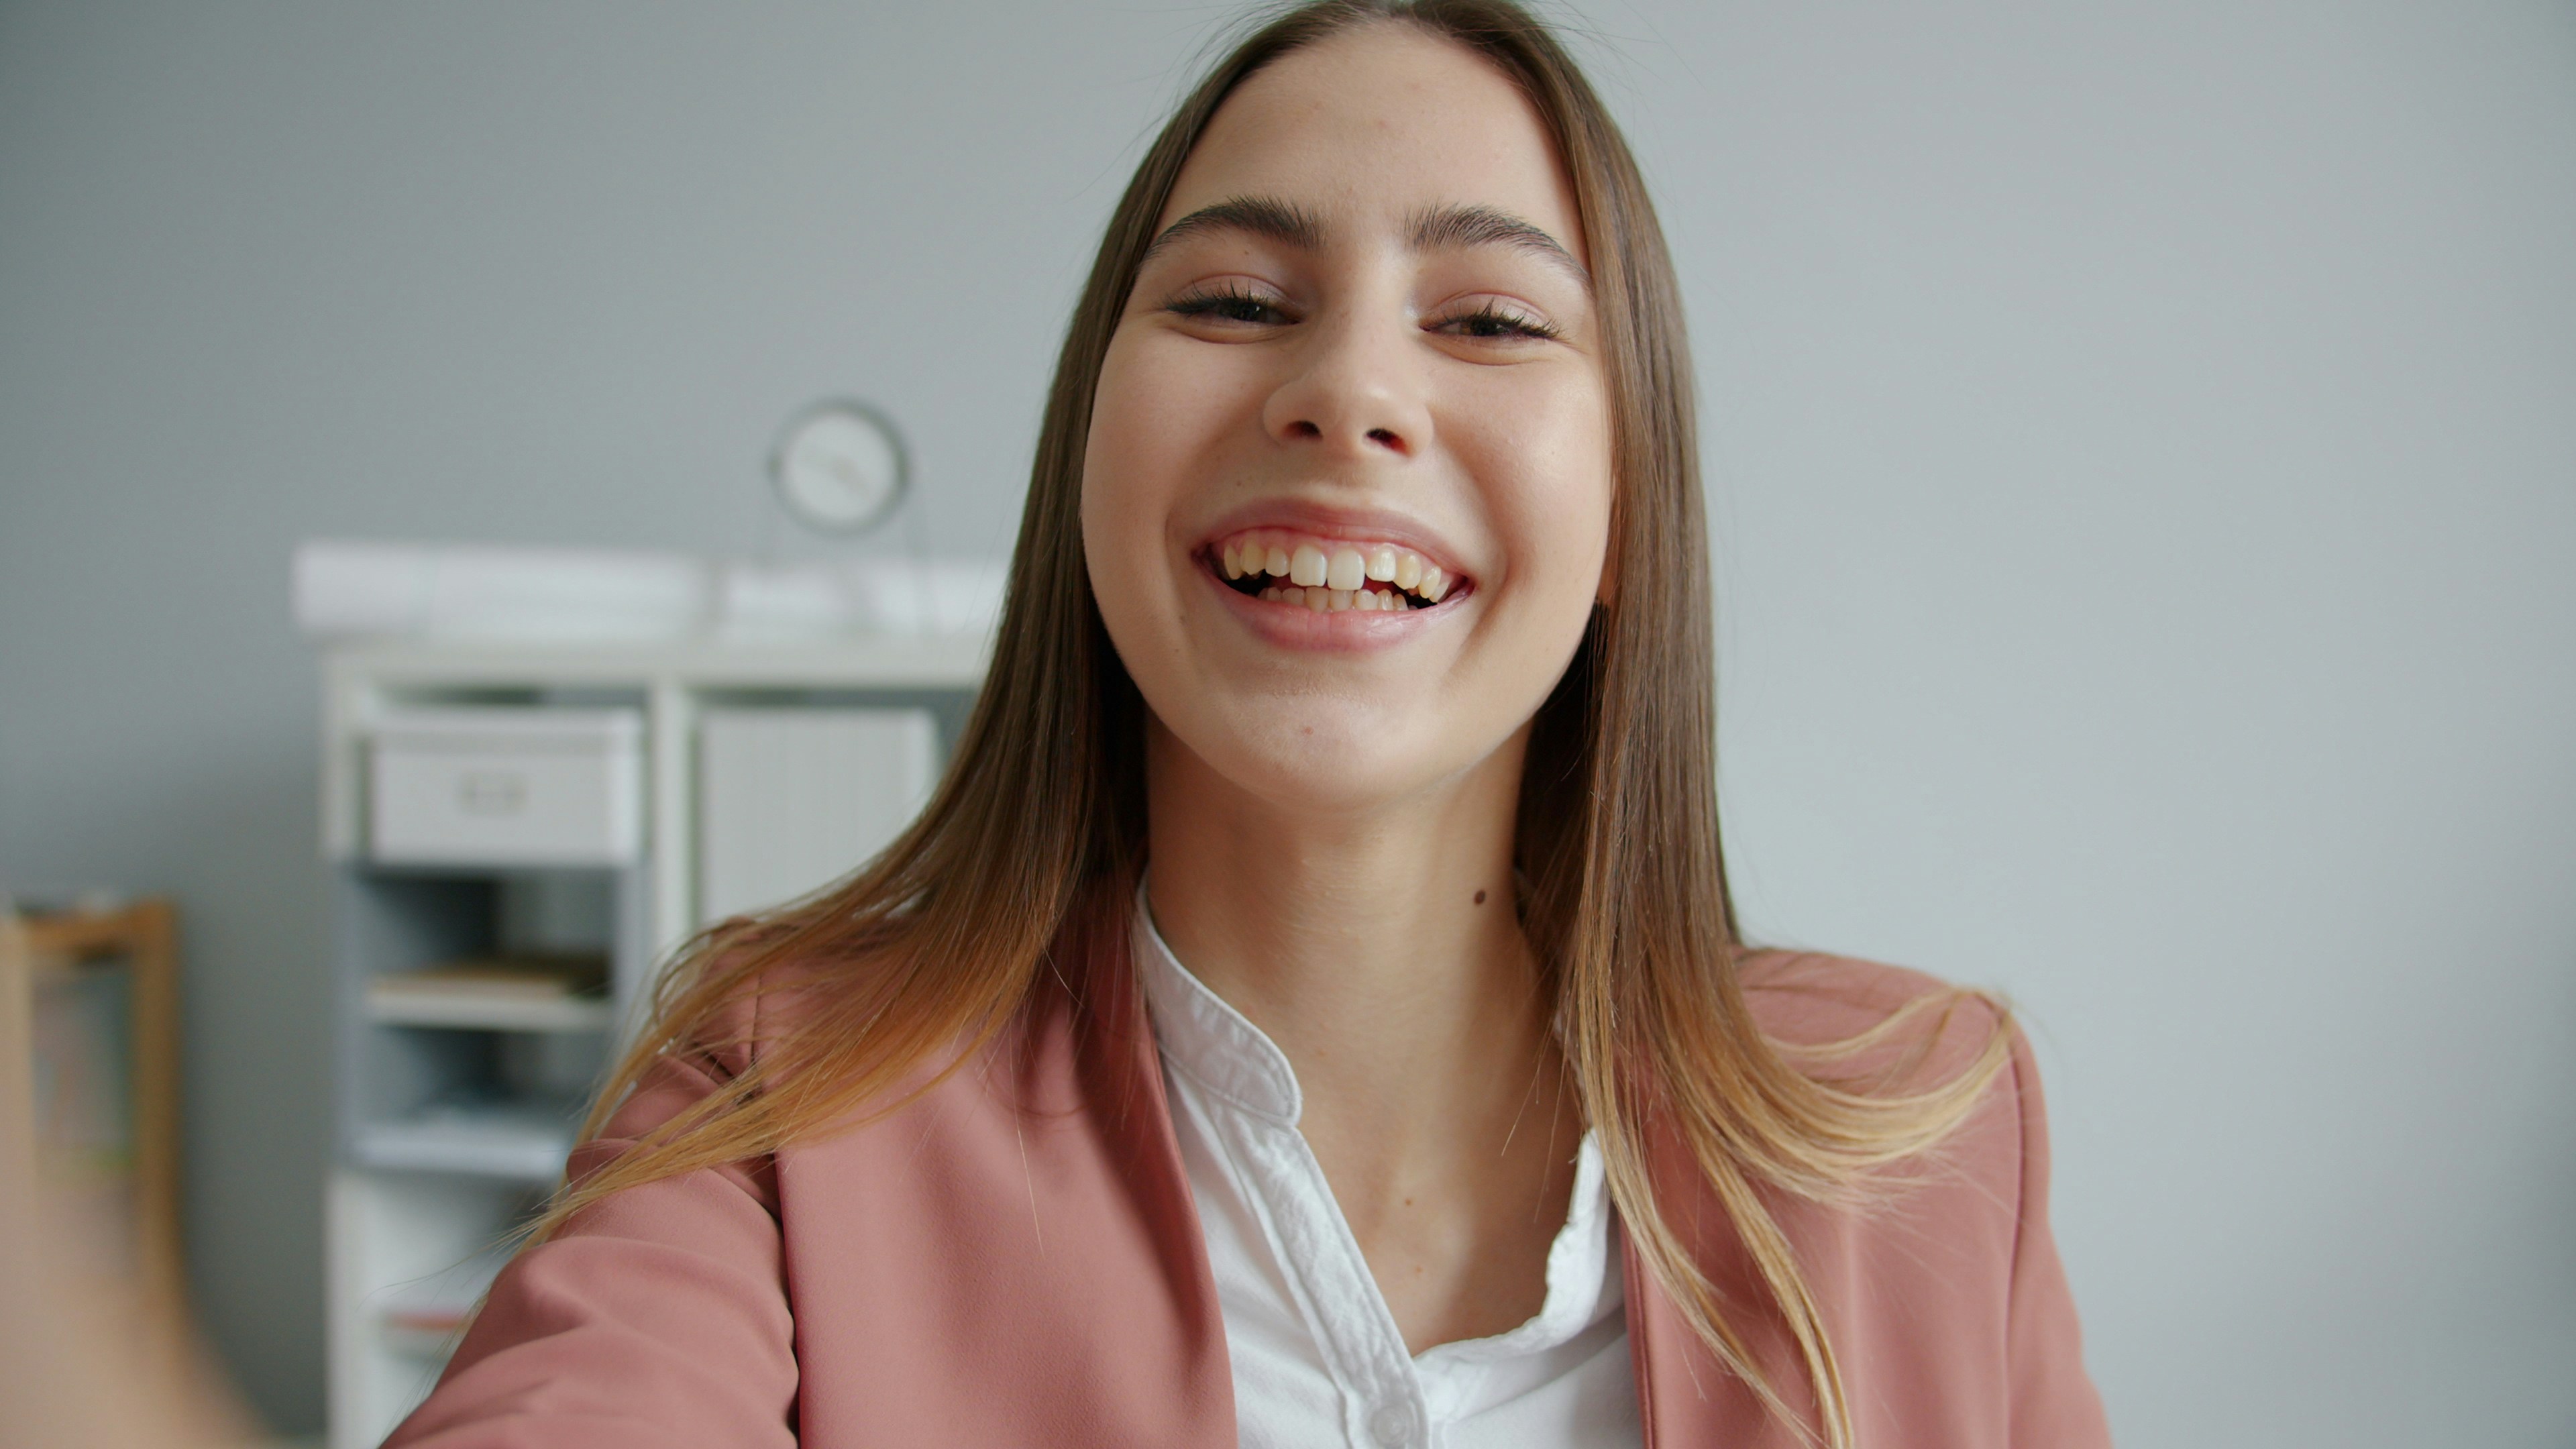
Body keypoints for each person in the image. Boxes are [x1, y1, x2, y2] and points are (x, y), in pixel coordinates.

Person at [388, 3, 2109, 1445]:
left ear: (1627, 522)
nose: (1348, 391)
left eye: (1491, 322)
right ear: (1089, 452)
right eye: (1231, 302)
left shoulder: (1934, 1128)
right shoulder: (776, 1106)